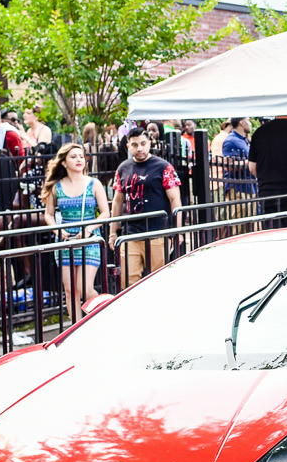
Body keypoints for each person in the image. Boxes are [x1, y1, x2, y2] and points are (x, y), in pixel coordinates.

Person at [41, 143, 109, 321]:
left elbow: (105, 213)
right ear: (63, 163)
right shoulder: (56, 187)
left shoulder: (94, 184)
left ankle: (103, 319)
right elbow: (48, 215)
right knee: (70, 290)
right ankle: (76, 328)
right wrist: (58, 230)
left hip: (89, 238)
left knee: (85, 287)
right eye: (73, 157)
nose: (79, 159)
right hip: (66, 240)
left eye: (81, 156)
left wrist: (88, 229)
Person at [108, 127, 182, 287]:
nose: (139, 148)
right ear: (128, 146)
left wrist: (177, 230)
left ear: (150, 143)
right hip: (131, 233)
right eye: (134, 144)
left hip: (158, 231)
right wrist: (112, 232)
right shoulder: (123, 168)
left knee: (159, 279)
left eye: (143, 143)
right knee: (128, 282)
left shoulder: (164, 167)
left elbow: (175, 200)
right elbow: (117, 201)